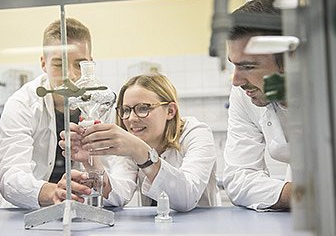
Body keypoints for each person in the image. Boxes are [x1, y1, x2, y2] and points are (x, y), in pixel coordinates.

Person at [0, 18, 130, 209]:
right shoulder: (22, 104)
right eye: (59, 64)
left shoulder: (104, 107)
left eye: (79, 64)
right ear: (44, 63)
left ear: (90, 64)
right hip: (23, 215)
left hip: (84, 214)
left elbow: (122, 187)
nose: (71, 76)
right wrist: (55, 192)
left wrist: (97, 176)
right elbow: (10, 177)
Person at [58, 74, 221, 212]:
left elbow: (187, 197)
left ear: (170, 111)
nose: (131, 119)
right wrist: (90, 162)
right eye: (126, 110)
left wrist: (141, 152)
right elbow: (118, 194)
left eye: (143, 108)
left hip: (201, 232)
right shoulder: (134, 142)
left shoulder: (196, 133)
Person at [223, 0, 292, 211]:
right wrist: (299, 194)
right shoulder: (247, 95)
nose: (236, 81)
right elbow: (238, 177)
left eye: (249, 67)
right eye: (234, 65)